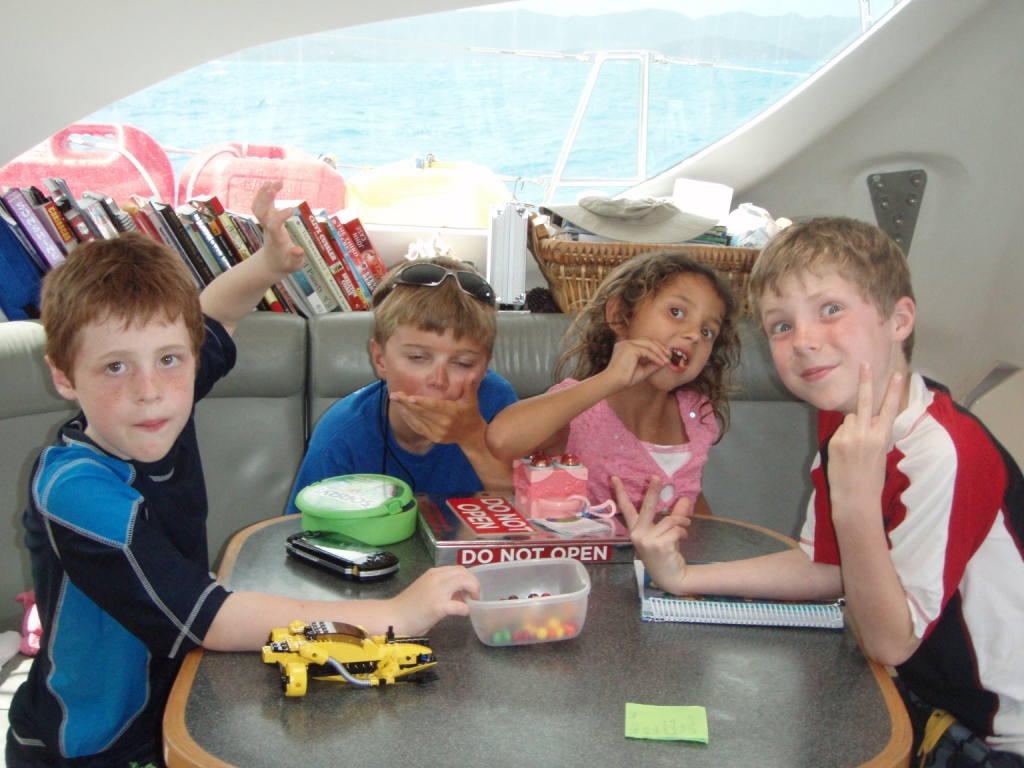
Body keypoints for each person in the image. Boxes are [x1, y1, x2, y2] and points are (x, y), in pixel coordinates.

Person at [6, 182, 480, 768]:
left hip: (171, 701)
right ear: (64, 376)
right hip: (92, 747)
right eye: (114, 367)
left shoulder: (157, 407)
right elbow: (209, 617)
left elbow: (216, 315)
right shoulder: (75, 490)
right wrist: (394, 616)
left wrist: (269, 264)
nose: (150, 389)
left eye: (169, 359)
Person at [625, 218, 1024, 765]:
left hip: (1001, 738)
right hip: (932, 703)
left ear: (899, 319)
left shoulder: (942, 451)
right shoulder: (847, 421)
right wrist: (684, 577)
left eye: (830, 309)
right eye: (781, 325)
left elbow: (891, 641)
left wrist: (856, 503)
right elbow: (829, 566)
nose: (804, 341)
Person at [486, 249, 740, 516]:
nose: (694, 335)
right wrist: (610, 379)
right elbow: (501, 440)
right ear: (619, 315)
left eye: (707, 331)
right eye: (676, 312)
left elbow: (692, 499)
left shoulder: (695, 413)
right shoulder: (580, 410)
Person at [287, 255, 517, 512]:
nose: (438, 380)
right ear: (379, 359)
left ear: (484, 368)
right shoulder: (341, 437)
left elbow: (527, 513)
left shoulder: (499, 406)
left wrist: (473, 438)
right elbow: (303, 531)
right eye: (418, 358)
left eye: (463, 363)